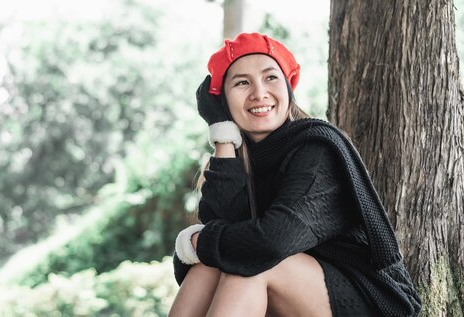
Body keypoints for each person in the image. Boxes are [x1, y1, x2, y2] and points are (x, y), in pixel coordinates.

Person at [169, 32, 421, 317]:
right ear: (223, 104)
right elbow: (223, 230)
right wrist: (223, 136)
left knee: (251, 264)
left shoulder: (316, 147)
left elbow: (270, 242)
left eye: (270, 77)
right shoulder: (239, 159)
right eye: (241, 83)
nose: (259, 93)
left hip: (369, 295)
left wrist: (195, 242)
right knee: (211, 265)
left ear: (288, 86)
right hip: (290, 286)